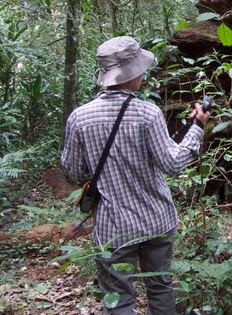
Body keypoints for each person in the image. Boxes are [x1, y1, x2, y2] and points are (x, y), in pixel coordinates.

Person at [61, 36, 210, 314]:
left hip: (112, 228)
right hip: (156, 220)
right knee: (160, 286)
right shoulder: (147, 113)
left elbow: (74, 171)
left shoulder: (79, 118)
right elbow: (173, 163)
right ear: (131, 75)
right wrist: (197, 128)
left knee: (118, 296)